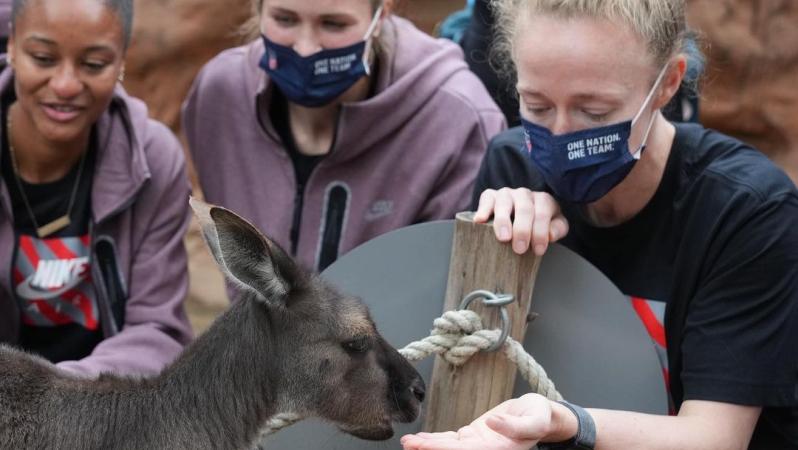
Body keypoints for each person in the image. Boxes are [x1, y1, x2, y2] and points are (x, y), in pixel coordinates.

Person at [402, 0, 798, 449]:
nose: (562, 134)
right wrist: (503, 242)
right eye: (537, 105)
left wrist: (568, 422)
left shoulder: (747, 208)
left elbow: (713, 438)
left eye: (594, 112)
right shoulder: (512, 165)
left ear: (668, 83)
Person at [182, 0, 506, 275]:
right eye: (284, 19)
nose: (305, 48)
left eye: (333, 24)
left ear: (381, 15)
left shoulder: (458, 121)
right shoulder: (219, 97)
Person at [0, 0, 193, 377]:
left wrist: (57, 397)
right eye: (42, 58)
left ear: (122, 61)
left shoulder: (153, 159)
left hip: (101, 409)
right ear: (11, 48)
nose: (66, 85)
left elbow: (157, 331)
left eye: (94, 65)